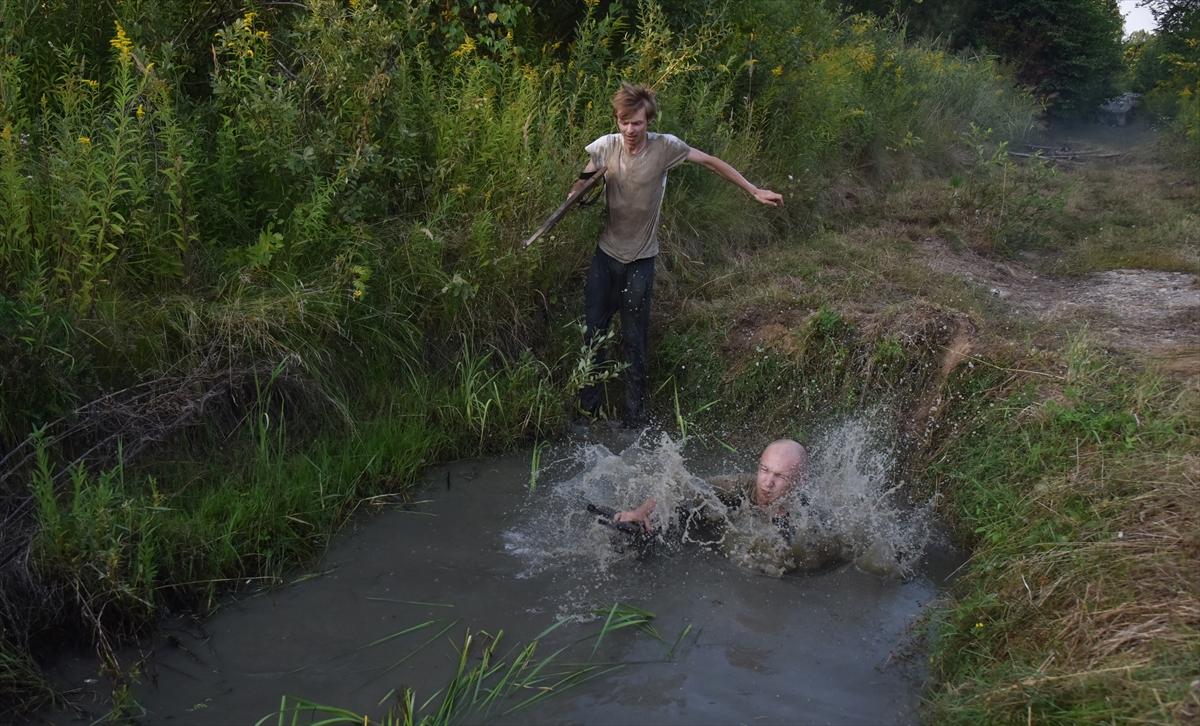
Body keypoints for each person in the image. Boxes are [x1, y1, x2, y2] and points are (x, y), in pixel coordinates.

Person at [572, 82, 783, 427]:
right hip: (606, 257)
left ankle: (634, 418)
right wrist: (578, 192)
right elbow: (580, 184)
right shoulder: (605, 148)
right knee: (594, 334)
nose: (630, 130)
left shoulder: (665, 148)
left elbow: (711, 162)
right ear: (617, 120)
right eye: (624, 122)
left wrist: (753, 190)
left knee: (634, 338)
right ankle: (586, 413)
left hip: (640, 260)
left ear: (648, 122)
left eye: (637, 123)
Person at [610, 438, 846, 574]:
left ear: (799, 481)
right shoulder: (741, 486)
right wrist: (641, 511)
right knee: (674, 515)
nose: (767, 482)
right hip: (708, 534)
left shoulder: (810, 514)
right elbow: (684, 487)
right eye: (764, 470)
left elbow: (829, 551)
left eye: (780, 476)